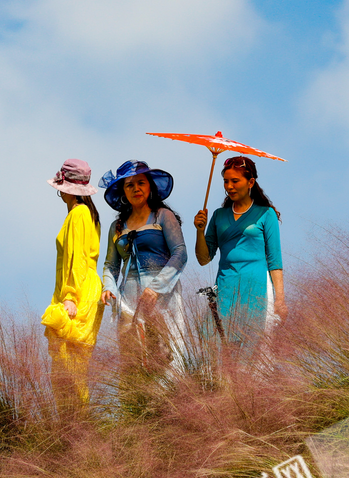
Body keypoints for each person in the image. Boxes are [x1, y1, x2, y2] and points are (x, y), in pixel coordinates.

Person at [98, 160, 188, 375]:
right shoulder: (116, 227)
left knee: (166, 351)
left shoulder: (163, 216)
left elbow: (180, 254)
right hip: (128, 296)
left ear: (150, 186)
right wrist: (108, 286)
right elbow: (111, 264)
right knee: (134, 355)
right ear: (123, 192)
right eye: (129, 185)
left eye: (141, 183)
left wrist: (157, 287)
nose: (136, 188)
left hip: (162, 294)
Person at [193, 155, 286, 346]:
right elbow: (204, 258)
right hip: (225, 286)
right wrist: (200, 231)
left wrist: (280, 300)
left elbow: (274, 260)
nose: (229, 186)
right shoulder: (219, 215)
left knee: (253, 343)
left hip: (256, 286)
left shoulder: (266, 214)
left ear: (250, 182)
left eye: (235, 181)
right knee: (214, 341)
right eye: (226, 181)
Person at [40, 159, 104, 406]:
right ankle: (75, 426)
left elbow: (77, 259)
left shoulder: (79, 213)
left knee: (69, 366)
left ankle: (76, 425)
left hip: (76, 291)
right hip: (81, 288)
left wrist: (70, 297)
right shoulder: (87, 213)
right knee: (72, 365)